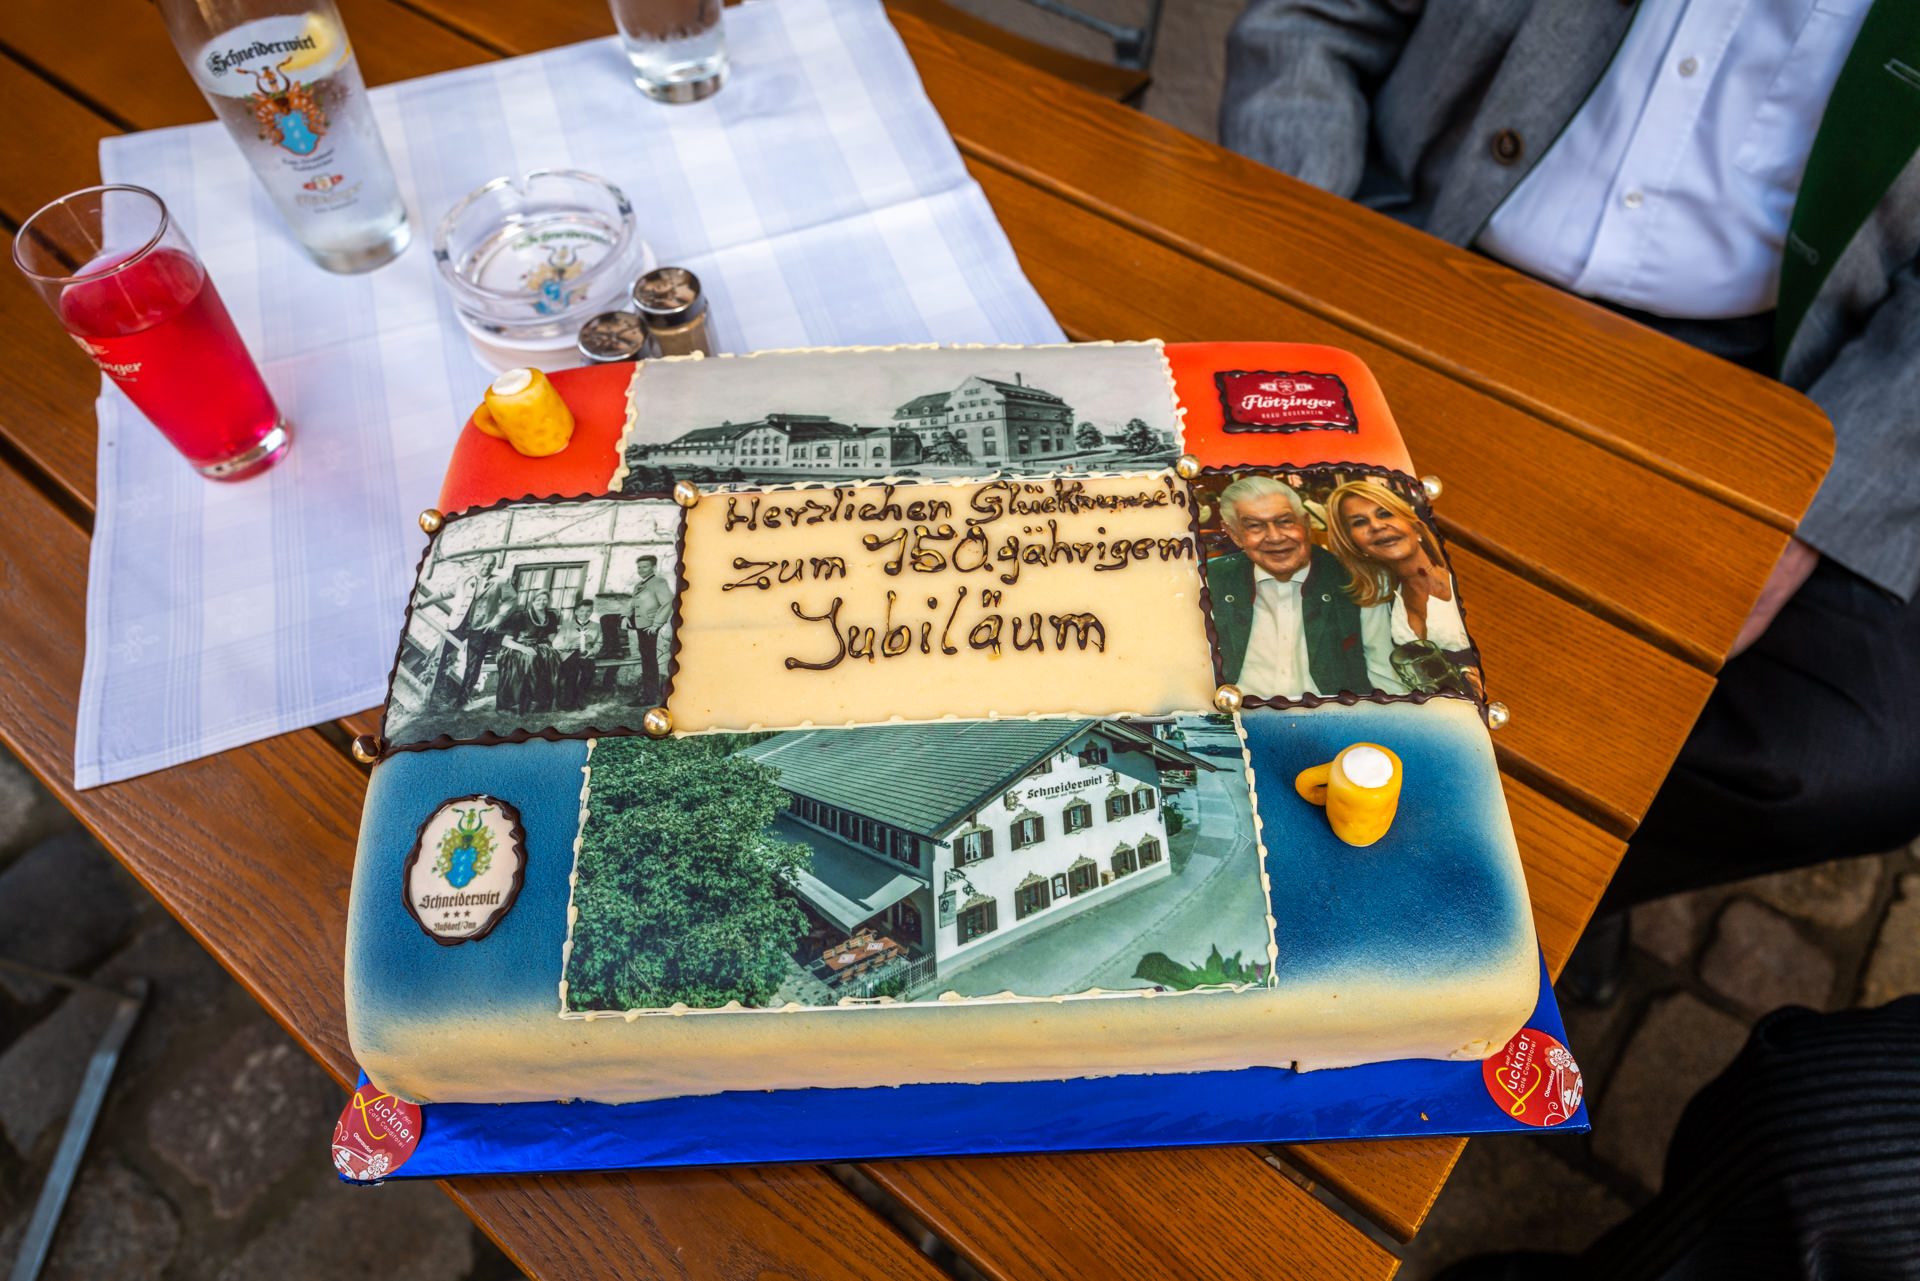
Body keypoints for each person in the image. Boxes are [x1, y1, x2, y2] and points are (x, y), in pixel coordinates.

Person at [1220, 0, 1920, 941]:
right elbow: (1307, 23)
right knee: (1249, 578)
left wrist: (1809, 517)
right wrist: (1308, 279)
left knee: (1854, 751)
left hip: (1767, 373)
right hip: (1421, 255)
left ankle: (1559, 878)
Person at [1205, 475, 1405, 699]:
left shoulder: (1359, 580)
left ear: (1306, 523)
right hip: (1238, 715)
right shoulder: (1208, 580)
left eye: (1285, 521)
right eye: (1254, 526)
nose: (1275, 537)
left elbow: (1383, 674)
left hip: (1331, 715)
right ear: (1234, 534)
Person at [1324, 479, 1483, 698]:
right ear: (1355, 545)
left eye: (1385, 514)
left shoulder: (1465, 579)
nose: (1376, 526)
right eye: (1360, 522)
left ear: (1415, 527)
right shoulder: (1384, 600)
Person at [441, 553, 519, 709]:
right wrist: (423, 603)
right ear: (478, 563)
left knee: (473, 665)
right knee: (442, 653)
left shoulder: (500, 582)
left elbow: (512, 600)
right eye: (484, 564)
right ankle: (439, 689)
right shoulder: (466, 580)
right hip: (458, 625)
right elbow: (445, 593)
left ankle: (462, 701)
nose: (487, 567)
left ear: (494, 566)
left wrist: (496, 620)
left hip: (481, 628)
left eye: (491, 565)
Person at [495, 589, 561, 716]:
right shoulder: (521, 616)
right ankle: (521, 704)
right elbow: (506, 641)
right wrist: (523, 648)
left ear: (548, 601)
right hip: (519, 647)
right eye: (538, 599)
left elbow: (552, 637)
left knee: (552, 659)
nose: (541, 602)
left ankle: (541, 703)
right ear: (533, 601)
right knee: (529, 661)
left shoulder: (551, 616)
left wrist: (564, 644)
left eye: (545, 600)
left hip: (541, 647)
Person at [624, 554, 674, 707]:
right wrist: (625, 616)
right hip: (639, 622)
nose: (641, 570)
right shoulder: (639, 585)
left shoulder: (659, 582)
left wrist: (656, 624)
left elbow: (668, 603)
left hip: (649, 626)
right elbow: (632, 603)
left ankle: (648, 696)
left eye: (645, 567)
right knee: (608, 619)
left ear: (653, 567)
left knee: (648, 661)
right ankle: (612, 650)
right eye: (639, 567)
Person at [552, 598, 603, 713]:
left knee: (588, 673)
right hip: (569, 654)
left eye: (588, 611)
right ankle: (568, 701)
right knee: (572, 672)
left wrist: (592, 651)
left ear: (591, 612)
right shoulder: (567, 625)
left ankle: (579, 697)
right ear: (576, 612)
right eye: (582, 611)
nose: (584, 614)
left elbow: (599, 643)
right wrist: (569, 645)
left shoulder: (596, 626)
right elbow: (556, 644)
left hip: (586, 654)